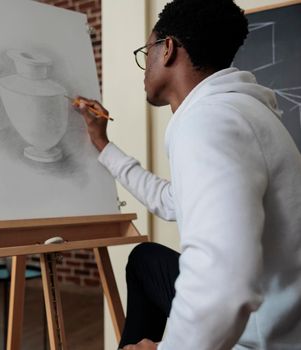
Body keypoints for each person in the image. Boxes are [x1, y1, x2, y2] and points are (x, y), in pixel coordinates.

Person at [74, 0, 301, 349]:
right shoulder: (236, 112)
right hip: (279, 309)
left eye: (145, 51)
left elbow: (223, 282)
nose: (143, 66)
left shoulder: (209, 123)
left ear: (167, 50)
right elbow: (170, 201)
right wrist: (103, 145)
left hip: (265, 335)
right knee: (145, 260)